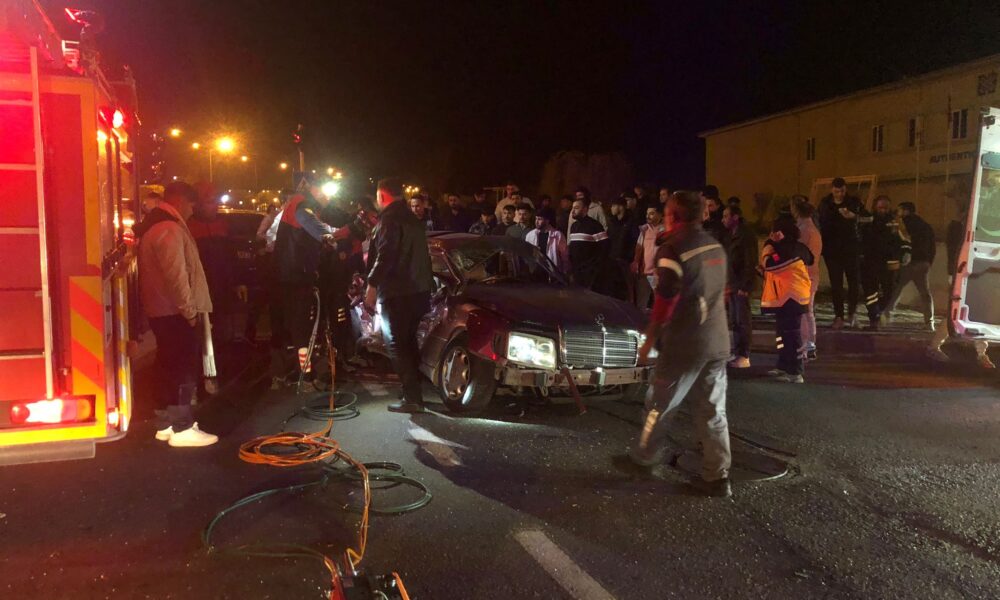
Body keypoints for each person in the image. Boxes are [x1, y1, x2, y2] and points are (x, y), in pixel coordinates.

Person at [620, 190, 732, 497]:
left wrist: (649, 341)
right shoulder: (715, 246)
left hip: (685, 343)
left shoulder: (672, 250)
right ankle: (717, 477)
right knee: (713, 411)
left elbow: (664, 302)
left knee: (658, 405)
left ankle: (643, 458)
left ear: (674, 216)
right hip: (717, 341)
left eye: (667, 212)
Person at [135, 182, 217, 447]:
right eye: (192, 205)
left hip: (162, 310)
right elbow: (177, 276)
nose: (193, 211)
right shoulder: (169, 229)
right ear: (181, 201)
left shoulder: (157, 226)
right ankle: (182, 427)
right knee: (182, 368)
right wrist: (189, 311)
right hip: (174, 312)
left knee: (166, 366)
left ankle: (165, 423)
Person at [365, 178, 434, 413]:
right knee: (409, 341)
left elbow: (386, 255)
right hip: (418, 289)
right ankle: (413, 391)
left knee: (396, 343)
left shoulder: (390, 219)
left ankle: (412, 398)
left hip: (398, 291)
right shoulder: (412, 219)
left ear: (382, 196)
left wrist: (372, 285)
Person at [273, 175, 349, 389]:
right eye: (322, 191)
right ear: (311, 187)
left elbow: (332, 221)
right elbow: (320, 231)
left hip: (294, 276)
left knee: (299, 327)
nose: (326, 196)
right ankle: (304, 376)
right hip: (296, 277)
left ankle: (296, 372)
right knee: (301, 328)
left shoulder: (301, 205)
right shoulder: (302, 207)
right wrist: (334, 241)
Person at [187, 185, 247, 345]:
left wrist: (238, 281)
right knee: (203, 333)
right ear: (199, 205)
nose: (215, 206)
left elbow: (232, 256)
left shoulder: (223, 225)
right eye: (209, 202)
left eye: (215, 202)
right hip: (201, 288)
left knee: (223, 331)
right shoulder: (189, 226)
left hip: (223, 287)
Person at [760, 217, 815, 383]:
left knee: (792, 334)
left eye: (773, 232)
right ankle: (783, 365)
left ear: (779, 233)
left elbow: (770, 264)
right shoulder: (797, 248)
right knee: (782, 334)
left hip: (791, 298)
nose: (771, 235)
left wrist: (767, 249)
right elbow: (810, 258)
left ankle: (796, 371)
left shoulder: (789, 249)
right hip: (787, 297)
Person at [818, 177, 864, 329]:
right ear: (832, 190)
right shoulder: (825, 203)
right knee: (836, 284)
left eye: (842, 191)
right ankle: (839, 316)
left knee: (853, 282)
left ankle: (852, 314)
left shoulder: (853, 202)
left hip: (851, 248)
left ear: (846, 189)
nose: (839, 194)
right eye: (837, 191)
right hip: (832, 250)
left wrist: (854, 217)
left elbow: (867, 218)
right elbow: (820, 221)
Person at [885, 202, 936, 330]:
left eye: (900, 210)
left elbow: (900, 241)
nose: (898, 213)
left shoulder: (903, 224)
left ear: (906, 211)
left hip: (908, 262)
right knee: (925, 293)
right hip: (923, 263)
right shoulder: (926, 226)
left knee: (897, 289)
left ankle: (885, 315)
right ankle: (929, 322)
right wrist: (929, 262)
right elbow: (932, 247)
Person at [860, 195, 904, 330]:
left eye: (885, 208)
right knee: (870, 292)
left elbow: (902, 240)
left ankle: (879, 313)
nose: (883, 210)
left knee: (889, 291)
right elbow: (861, 238)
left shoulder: (895, 222)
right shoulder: (869, 221)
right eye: (880, 208)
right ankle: (874, 318)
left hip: (888, 263)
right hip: (870, 262)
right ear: (875, 207)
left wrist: (903, 254)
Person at [722, 205, 758, 368]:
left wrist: (745, 285)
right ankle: (738, 353)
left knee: (742, 320)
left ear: (735, 217)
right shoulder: (731, 235)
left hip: (740, 285)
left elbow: (750, 262)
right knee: (735, 320)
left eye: (726, 216)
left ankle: (744, 354)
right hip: (733, 283)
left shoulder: (746, 236)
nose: (723, 219)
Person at [792, 196, 822, 361]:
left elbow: (798, 252)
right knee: (808, 311)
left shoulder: (803, 230)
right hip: (812, 274)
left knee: (802, 312)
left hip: (803, 275)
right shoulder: (814, 230)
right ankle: (810, 345)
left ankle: (803, 346)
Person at [568, 197, 610, 291]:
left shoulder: (594, 225)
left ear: (585, 209)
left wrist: (594, 268)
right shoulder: (574, 226)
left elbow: (605, 247)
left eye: (576, 208)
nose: (572, 211)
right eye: (572, 208)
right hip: (576, 271)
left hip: (590, 273)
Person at [631, 205, 665, 310]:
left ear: (660, 215)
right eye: (647, 213)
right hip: (644, 272)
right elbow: (639, 247)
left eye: (651, 213)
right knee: (641, 303)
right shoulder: (644, 229)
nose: (648, 216)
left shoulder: (665, 230)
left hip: (658, 273)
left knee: (659, 303)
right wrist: (636, 262)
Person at [525, 207, 569, 272]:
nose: (536, 221)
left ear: (547, 220)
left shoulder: (557, 235)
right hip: (535, 270)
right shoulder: (530, 235)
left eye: (539, 219)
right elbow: (526, 254)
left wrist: (566, 270)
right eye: (536, 219)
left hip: (552, 271)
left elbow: (564, 256)